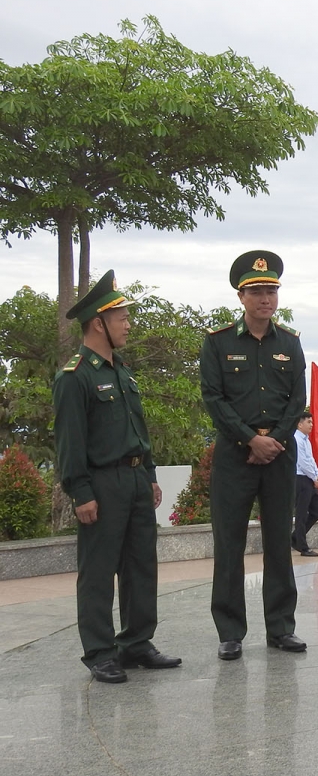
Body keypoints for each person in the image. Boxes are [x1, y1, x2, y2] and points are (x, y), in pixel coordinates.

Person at [52, 271, 181, 683]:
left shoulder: (121, 371)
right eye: (122, 317)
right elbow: (71, 441)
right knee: (98, 570)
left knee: (141, 565)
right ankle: (100, 652)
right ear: (98, 323)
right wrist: (81, 491)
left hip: (135, 480)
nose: (128, 324)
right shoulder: (76, 376)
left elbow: (137, 431)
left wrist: (150, 474)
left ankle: (137, 642)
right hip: (101, 485)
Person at [200, 251, 307, 661]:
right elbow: (214, 398)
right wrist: (250, 439)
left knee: (280, 541)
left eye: (271, 291)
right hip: (234, 454)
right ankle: (230, 631)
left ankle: (281, 627)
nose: (266, 298)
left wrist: (274, 440)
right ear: (242, 296)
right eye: (257, 291)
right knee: (229, 544)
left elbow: (297, 398)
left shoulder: (290, 342)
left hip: (278, 454)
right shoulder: (218, 341)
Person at [292, 411, 318, 557]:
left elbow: (311, 459)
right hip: (301, 478)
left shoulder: (306, 440)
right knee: (302, 513)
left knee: (317, 511)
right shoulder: (296, 439)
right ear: (299, 424)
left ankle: (295, 537)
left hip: (310, 478)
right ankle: (302, 547)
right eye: (308, 422)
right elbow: (302, 462)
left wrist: (317, 475)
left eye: (312, 421)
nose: (311, 424)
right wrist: (313, 476)